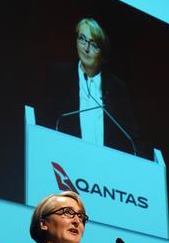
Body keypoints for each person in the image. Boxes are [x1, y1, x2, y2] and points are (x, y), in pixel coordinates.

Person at [36, 18, 147, 158]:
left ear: (102, 53)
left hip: (105, 169)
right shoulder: (59, 75)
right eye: (82, 39)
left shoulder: (117, 88)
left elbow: (133, 139)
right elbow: (43, 122)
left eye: (93, 44)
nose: (86, 48)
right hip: (64, 159)